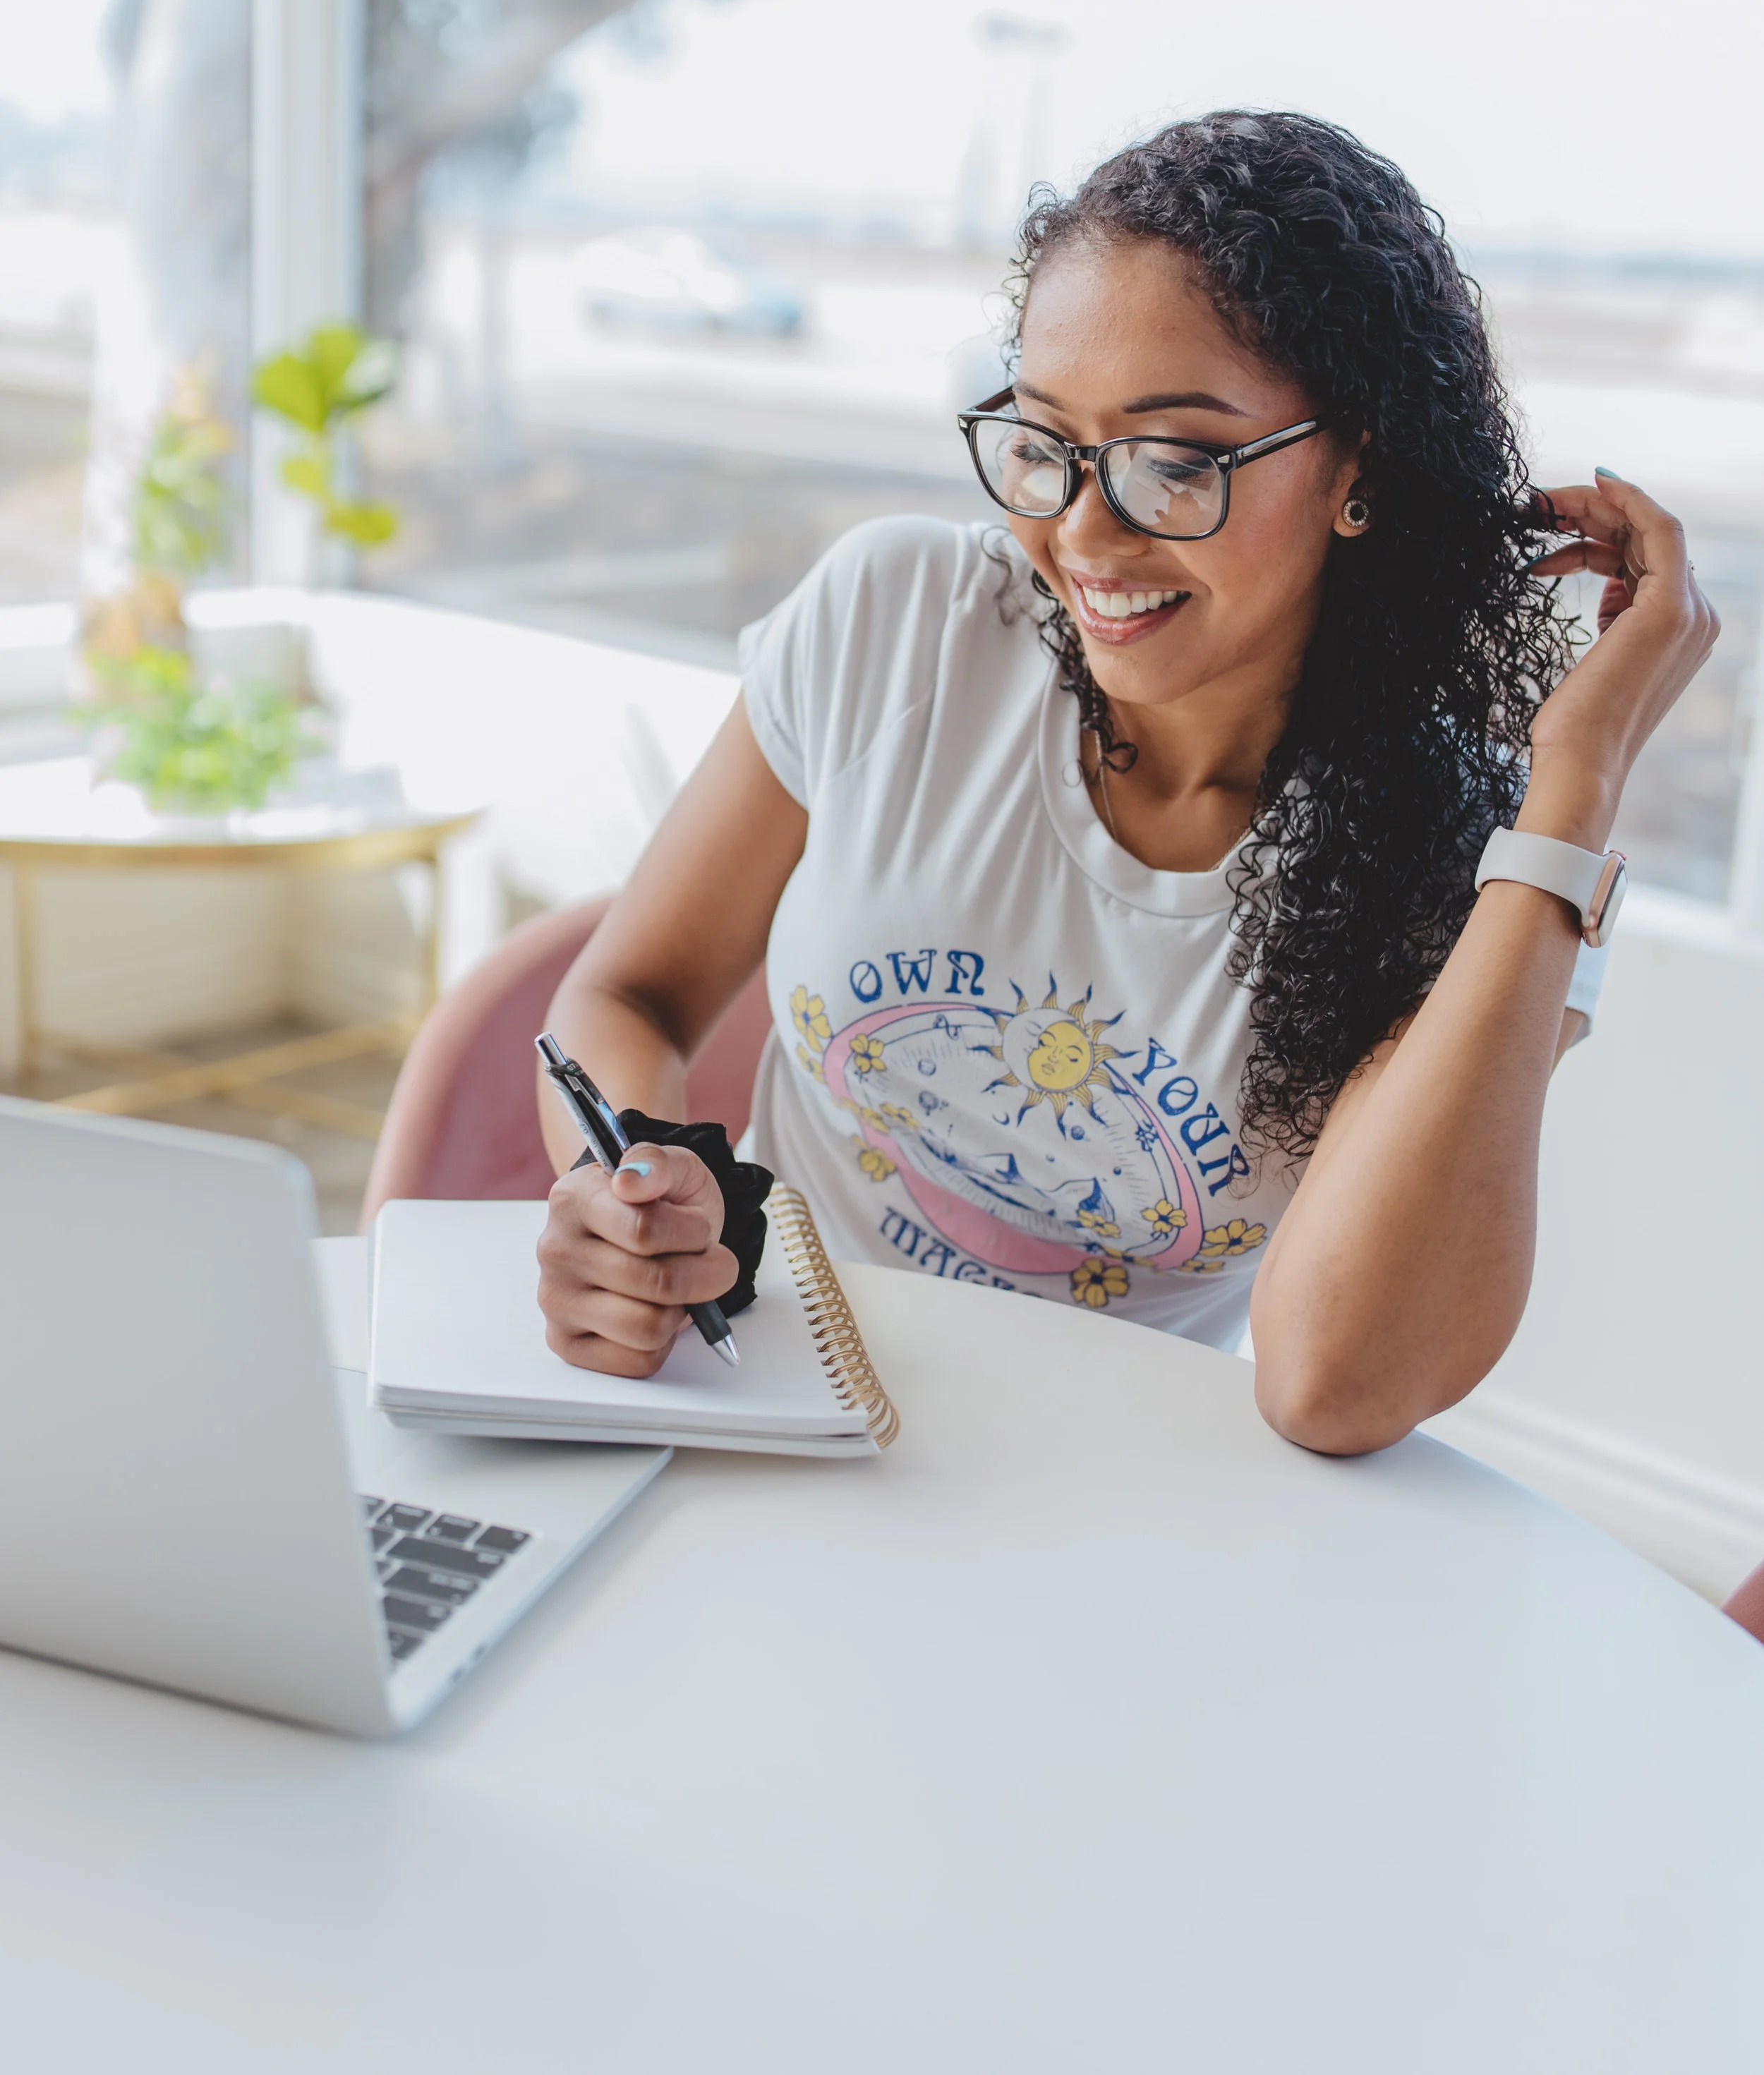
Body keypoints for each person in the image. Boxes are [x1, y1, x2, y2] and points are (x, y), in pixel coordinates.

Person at [534, 113, 1714, 1453]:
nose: (1083, 533)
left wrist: (1573, 793)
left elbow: (1336, 1382)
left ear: (1358, 471)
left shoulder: (1481, 863)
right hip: (759, 1405)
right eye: (1043, 443)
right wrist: (622, 1192)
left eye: (1177, 462)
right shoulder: (901, 619)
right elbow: (626, 994)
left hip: (1115, 1497)